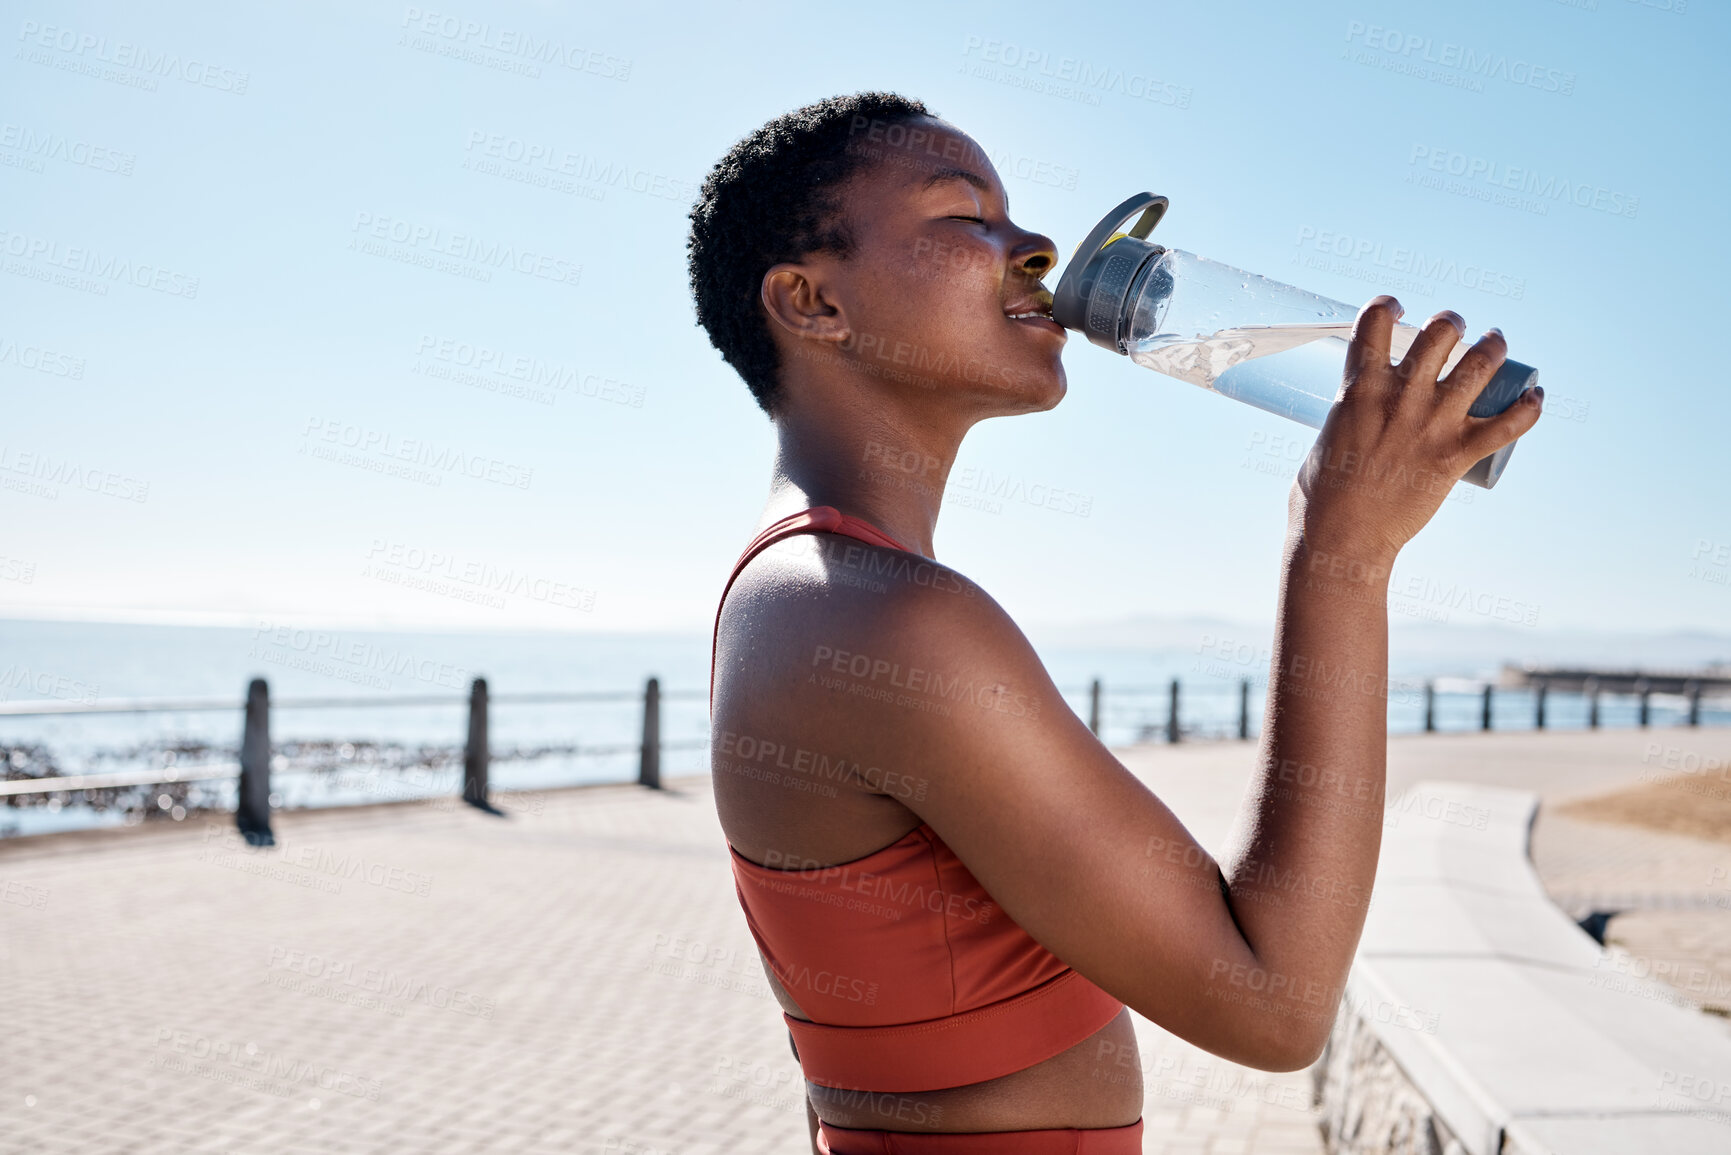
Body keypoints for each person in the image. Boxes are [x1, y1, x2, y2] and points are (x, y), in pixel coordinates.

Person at [687, 91, 1542, 1154]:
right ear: (813, 303)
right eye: (966, 219)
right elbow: (1274, 1005)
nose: (1037, 246)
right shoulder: (877, 619)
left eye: (1014, 215)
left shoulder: (807, 590)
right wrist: (1341, 556)